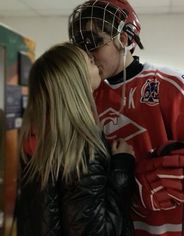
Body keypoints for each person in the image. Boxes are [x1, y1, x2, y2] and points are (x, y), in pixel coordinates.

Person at [68, 1, 184, 235]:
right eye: (79, 45)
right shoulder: (85, 95)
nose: (86, 54)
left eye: (92, 42)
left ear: (124, 39)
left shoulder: (172, 86)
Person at [17, 42, 136, 236]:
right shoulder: (82, 148)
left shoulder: (39, 140)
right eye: (89, 61)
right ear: (77, 79)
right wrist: (122, 169)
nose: (95, 60)